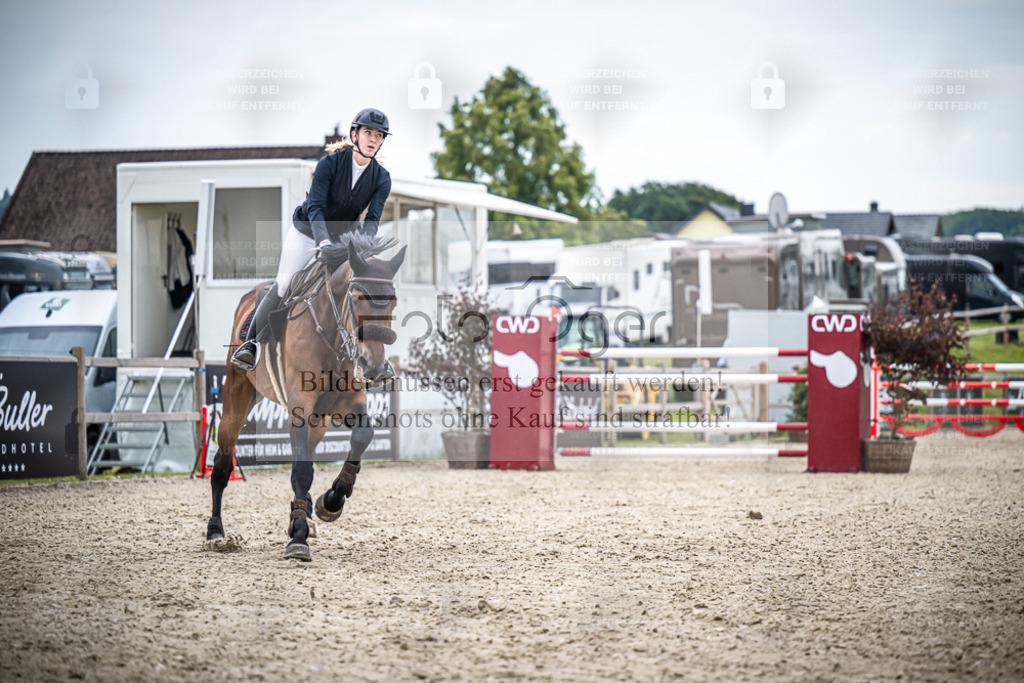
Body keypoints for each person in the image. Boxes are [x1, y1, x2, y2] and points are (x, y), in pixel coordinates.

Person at [230, 108, 393, 371]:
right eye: (368, 133)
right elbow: (315, 207)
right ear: (355, 135)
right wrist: (322, 241)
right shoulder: (329, 164)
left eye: (378, 135)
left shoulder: (382, 178)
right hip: (307, 233)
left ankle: (373, 357)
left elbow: (372, 221)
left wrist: (362, 252)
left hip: (345, 242)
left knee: (359, 289)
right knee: (284, 284)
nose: (373, 139)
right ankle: (251, 344)